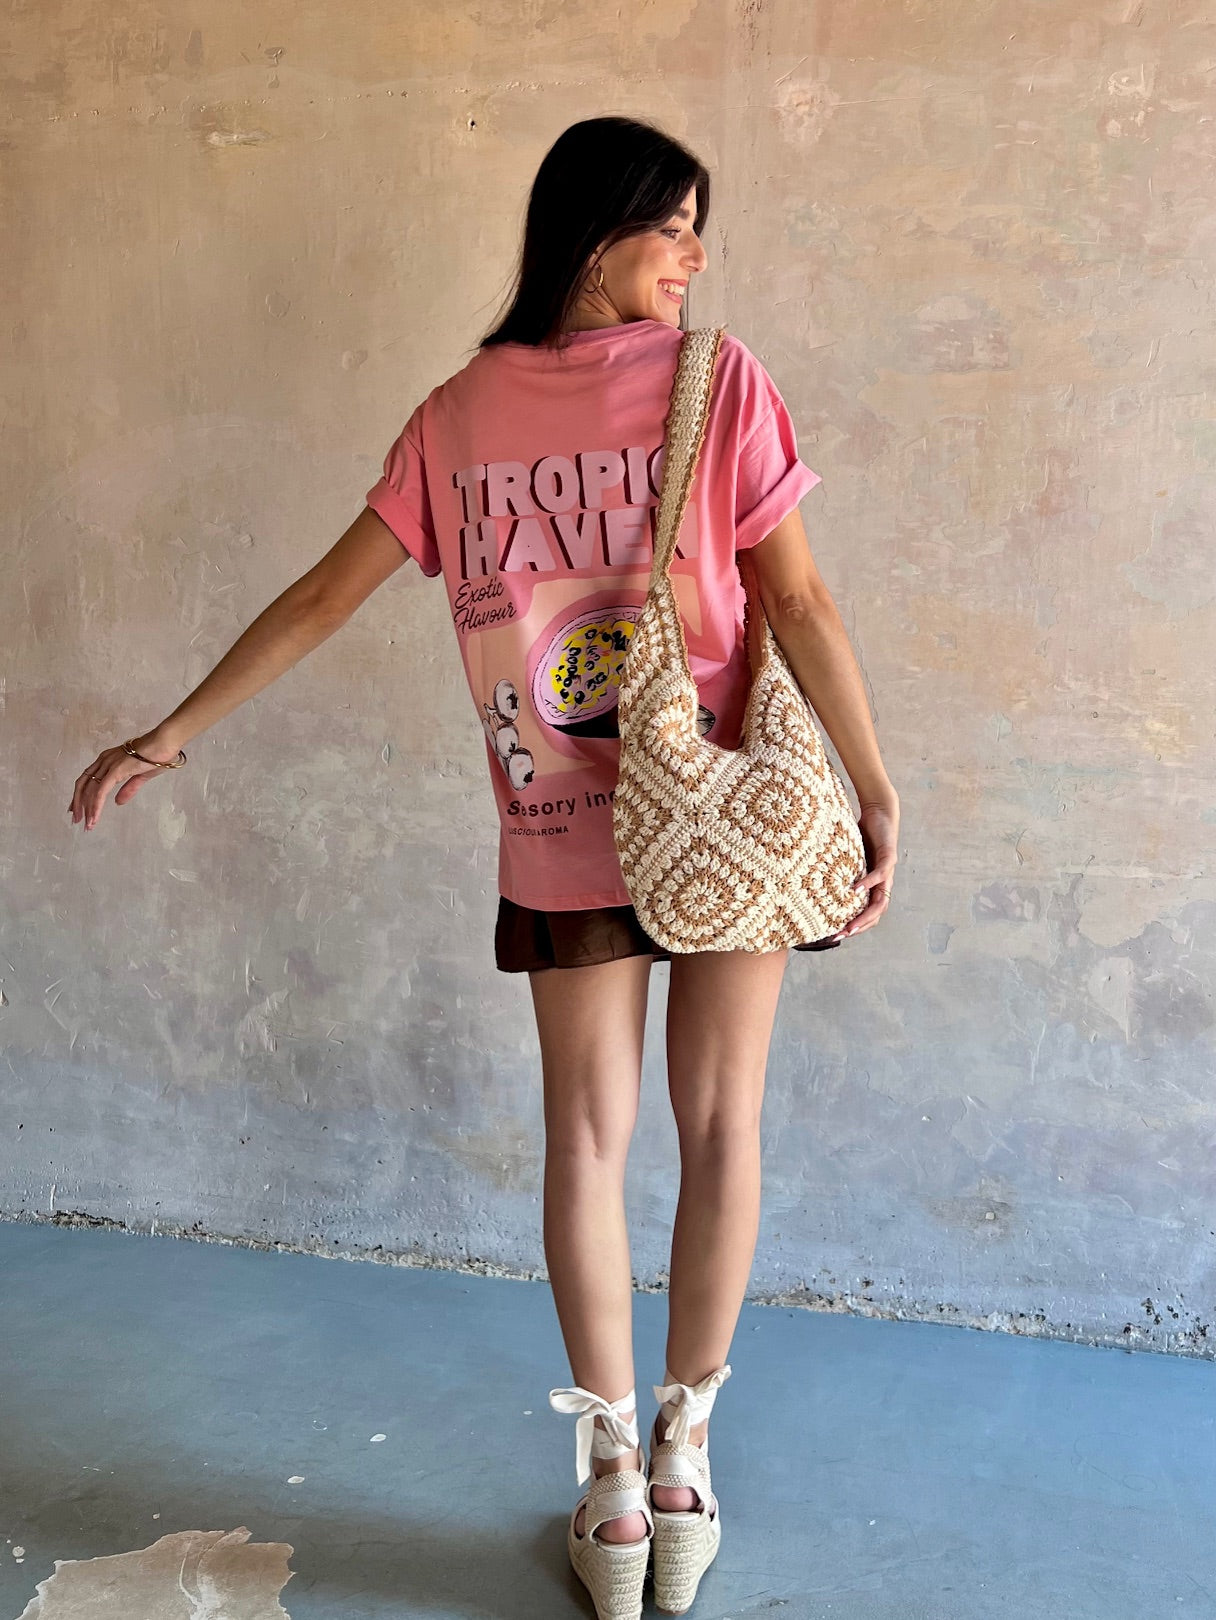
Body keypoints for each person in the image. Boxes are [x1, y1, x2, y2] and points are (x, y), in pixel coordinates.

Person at [67, 115, 898, 1620]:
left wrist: (176, 731)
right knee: (723, 1121)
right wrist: (874, 785)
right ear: (599, 229)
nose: (695, 255)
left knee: (585, 1137)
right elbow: (804, 602)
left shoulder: (455, 417)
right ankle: (684, 1469)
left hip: (556, 821)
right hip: (726, 813)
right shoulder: (720, 382)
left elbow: (328, 593)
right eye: (674, 226)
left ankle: (612, 1491)